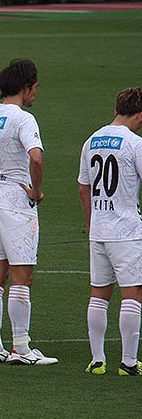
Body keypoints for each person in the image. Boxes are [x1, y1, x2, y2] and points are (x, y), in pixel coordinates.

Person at [0, 59, 57, 365]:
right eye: (35, 87)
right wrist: (35, 190)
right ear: (26, 86)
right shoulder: (23, 119)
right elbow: (36, 158)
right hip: (17, 204)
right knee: (22, 276)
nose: (35, 93)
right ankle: (21, 348)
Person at [78, 87, 142, 377]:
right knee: (133, 294)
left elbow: (84, 187)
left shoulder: (91, 140)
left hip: (99, 230)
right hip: (127, 230)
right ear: (138, 115)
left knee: (99, 294)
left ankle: (97, 360)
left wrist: (93, 223)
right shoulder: (134, 143)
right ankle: (128, 362)